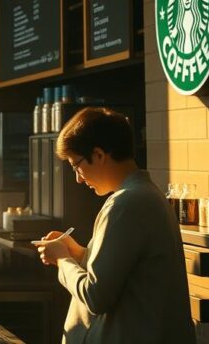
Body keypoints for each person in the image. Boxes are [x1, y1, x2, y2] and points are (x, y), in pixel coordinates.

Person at [37, 108, 193, 344]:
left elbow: (96, 296)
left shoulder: (126, 203)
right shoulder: (146, 195)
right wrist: (79, 254)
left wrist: (62, 260)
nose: (78, 178)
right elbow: (124, 274)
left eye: (76, 165)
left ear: (99, 155)